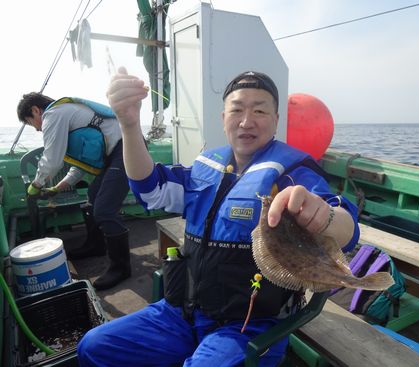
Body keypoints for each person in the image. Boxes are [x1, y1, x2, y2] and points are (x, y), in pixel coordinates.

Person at [77, 69, 360, 367]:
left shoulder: (294, 172)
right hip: (181, 313)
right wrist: (129, 124)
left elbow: (346, 227)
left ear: (276, 119)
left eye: (260, 111)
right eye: (236, 110)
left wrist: (325, 216)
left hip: (248, 324)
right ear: (223, 116)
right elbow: (150, 189)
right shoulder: (205, 166)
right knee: (94, 346)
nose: (246, 121)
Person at [17, 93, 131, 290]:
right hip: (112, 156)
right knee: (92, 199)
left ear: (36, 110)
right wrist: (56, 188)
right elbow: (80, 166)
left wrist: (36, 185)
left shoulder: (54, 113)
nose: (36, 129)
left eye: (31, 122)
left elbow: (51, 160)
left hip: (126, 148)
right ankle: (96, 246)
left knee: (104, 210)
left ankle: (121, 267)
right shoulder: (68, 118)